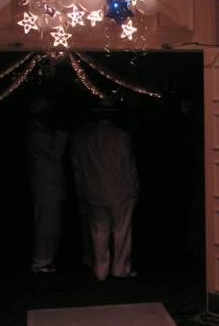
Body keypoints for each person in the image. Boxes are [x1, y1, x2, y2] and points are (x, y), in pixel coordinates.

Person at [71, 101, 140, 281]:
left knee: (98, 231)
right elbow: (128, 166)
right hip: (119, 192)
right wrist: (134, 188)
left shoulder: (83, 137)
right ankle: (120, 268)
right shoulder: (121, 136)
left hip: (93, 191)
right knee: (121, 231)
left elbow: (78, 167)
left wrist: (82, 190)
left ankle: (100, 270)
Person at [27, 96, 68, 274]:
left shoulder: (41, 131)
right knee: (46, 226)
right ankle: (41, 260)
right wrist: (62, 132)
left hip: (50, 186)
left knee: (51, 225)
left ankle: (47, 258)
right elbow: (55, 153)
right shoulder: (37, 133)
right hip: (46, 187)